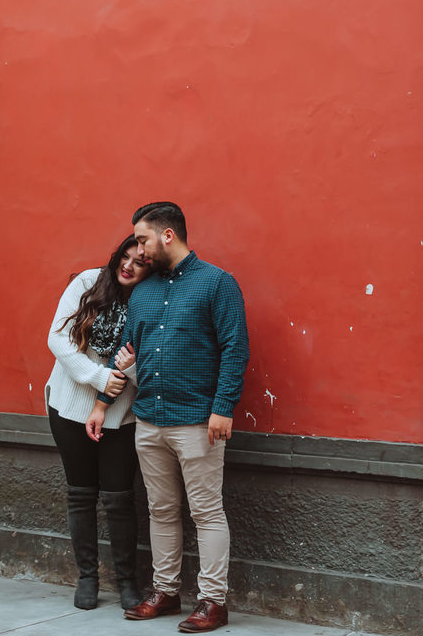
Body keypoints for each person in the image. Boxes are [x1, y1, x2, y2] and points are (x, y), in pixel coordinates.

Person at [86, 202, 248, 634]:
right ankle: (166, 591)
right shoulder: (143, 291)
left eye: (142, 239)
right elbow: (126, 352)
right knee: (160, 509)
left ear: (167, 235)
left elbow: (235, 349)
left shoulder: (217, 284)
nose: (138, 250)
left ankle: (213, 601)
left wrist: (223, 408)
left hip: (198, 420)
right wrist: (102, 401)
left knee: (206, 511)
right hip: (150, 419)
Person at [45, 234, 151, 611]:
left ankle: (127, 582)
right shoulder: (88, 283)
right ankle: (87, 577)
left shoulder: (148, 301)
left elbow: (151, 366)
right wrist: (98, 377)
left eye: (139, 262)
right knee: (81, 494)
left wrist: (129, 370)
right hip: (69, 409)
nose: (128, 266)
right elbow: (58, 340)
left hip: (120, 417)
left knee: (120, 499)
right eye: (125, 257)